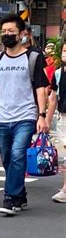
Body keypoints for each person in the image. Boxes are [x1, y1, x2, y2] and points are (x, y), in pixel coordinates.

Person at [0, 14, 49, 216]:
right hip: (2, 117)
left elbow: (41, 88)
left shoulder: (34, 58)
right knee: (7, 159)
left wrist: (42, 115)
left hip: (26, 116)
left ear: (22, 34)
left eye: (11, 31)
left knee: (18, 154)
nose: (7, 35)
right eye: (3, 31)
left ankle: (10, 198)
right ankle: (20, 195)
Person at [51, 42, 66, 203]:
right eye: (63, 50)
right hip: (63, 119)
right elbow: (53, 98)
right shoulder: (58, 74)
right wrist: (46, 119)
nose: (65, 53)